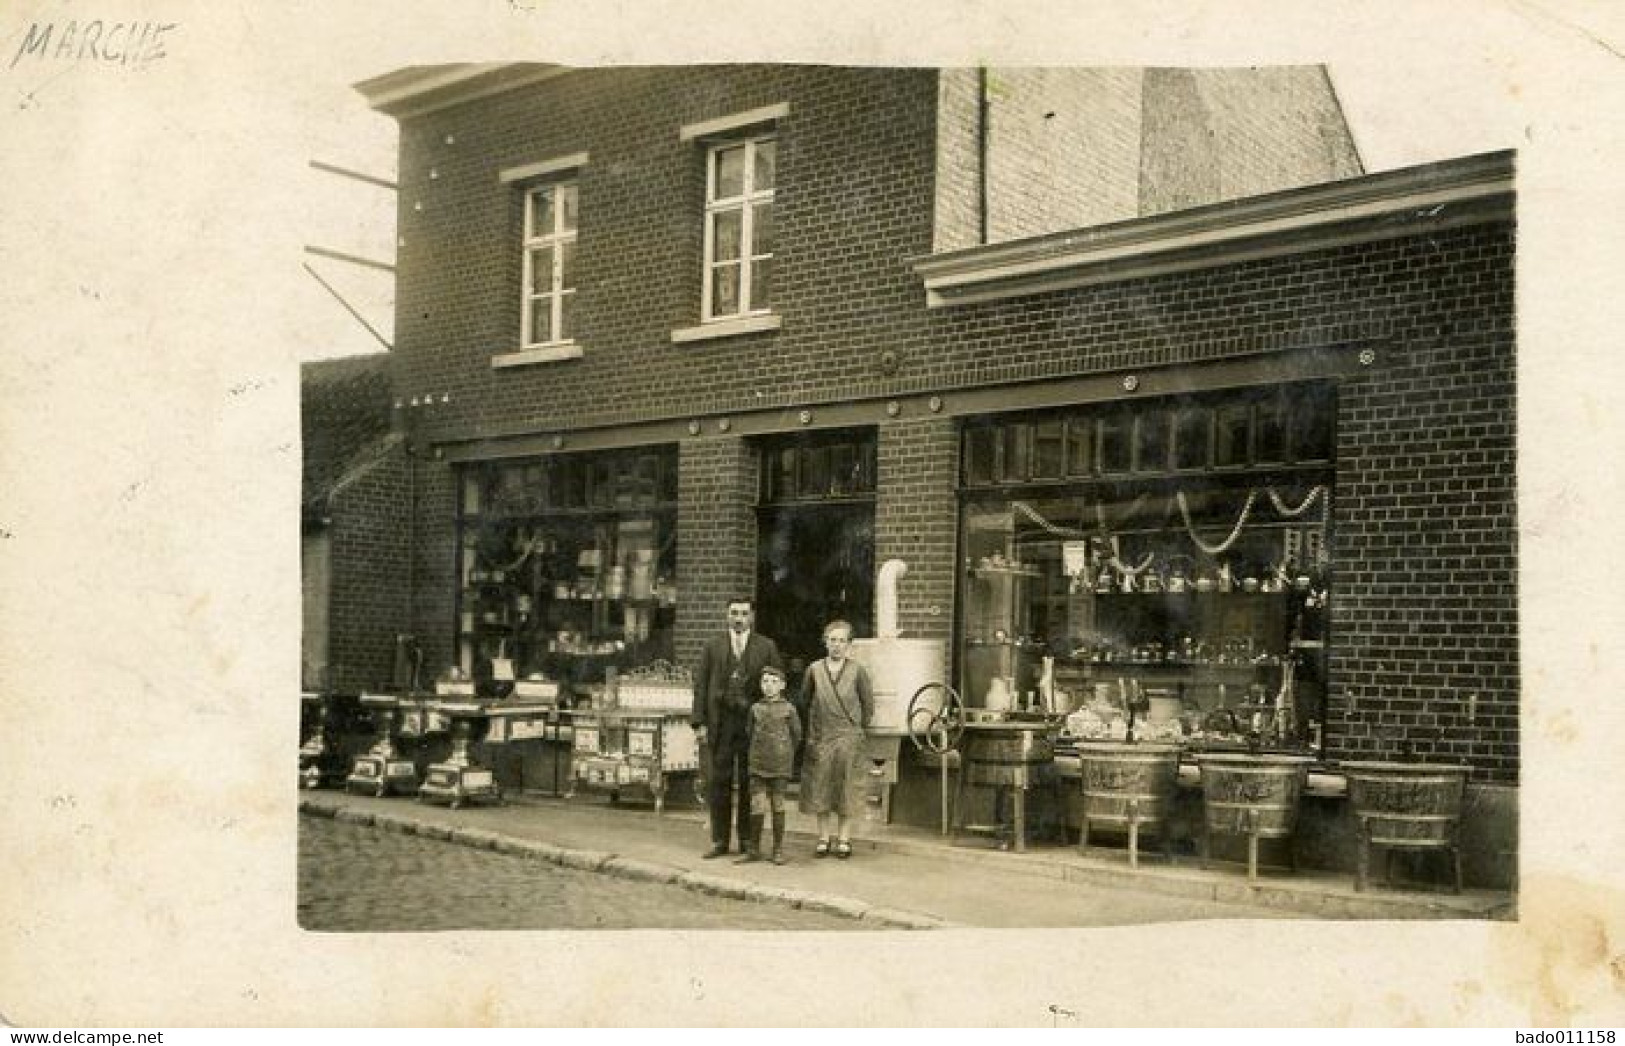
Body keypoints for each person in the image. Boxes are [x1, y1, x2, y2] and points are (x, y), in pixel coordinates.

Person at [692, 597, 783, 859]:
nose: (739, 618)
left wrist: (769, 720)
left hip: (751, 726)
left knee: (748, 782)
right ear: (726, 615)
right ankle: (719, 840)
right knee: (718, 781)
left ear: (752, 617)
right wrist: (699, 722)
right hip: (720, 724)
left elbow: (777, 682)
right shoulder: (713, 646)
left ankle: (746, 841)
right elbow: (701, 685)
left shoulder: (766, 647)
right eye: (734, 613)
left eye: (744, 613)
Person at [798, 619, 874, 860]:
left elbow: (868, 704)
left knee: (846, 788)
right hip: (822, 737)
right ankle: (823, 838)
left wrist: (857, 730)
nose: (837, 646)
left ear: (849, 644)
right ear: (825, 642)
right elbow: (804, 701)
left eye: (842, 641)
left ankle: (844, 839)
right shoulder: (814, 670)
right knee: (820, 786)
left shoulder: (858, 671)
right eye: (832, 640)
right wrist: (813, 732)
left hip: (849, 738)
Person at [737, 664, 802, 865]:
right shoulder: (755, 709)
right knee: (756, 807)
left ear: (782, 685)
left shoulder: (789, 709)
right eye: (765, 682)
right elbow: (749, 732)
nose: (769, 686)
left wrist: (784, 752)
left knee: (778, 806)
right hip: (757, 764)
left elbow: (797, 735)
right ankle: (753, 849)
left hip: (780, 765)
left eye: (774, 682)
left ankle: (778, 849)